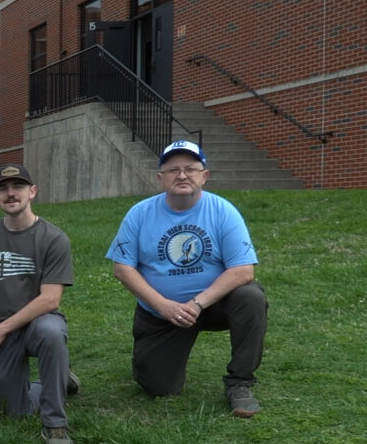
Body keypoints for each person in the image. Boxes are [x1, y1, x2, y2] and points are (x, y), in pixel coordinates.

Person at [106, 140, 268, 417]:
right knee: (158, 387)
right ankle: (149, 359)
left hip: (213, 305)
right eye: (173, 170)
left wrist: (197, 303)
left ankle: (240, 382)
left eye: (191, 169)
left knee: (250, 297)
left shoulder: (223, 211)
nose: (182, 175)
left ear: (204, 176)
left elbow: (243, 270)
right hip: (162, 313)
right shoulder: (140, 214)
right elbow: (122, 268)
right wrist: (162, 305)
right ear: (160, 178)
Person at [0, 163, 75, 444]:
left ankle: (54, 422)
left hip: (38, 322)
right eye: (3, 188)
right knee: (13, 410)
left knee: (52, 333)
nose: (11, 193)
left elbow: (50, 299)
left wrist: (0, 329)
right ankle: (60, 378)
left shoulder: (53, 238)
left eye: (18, 187)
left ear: (32, 192)